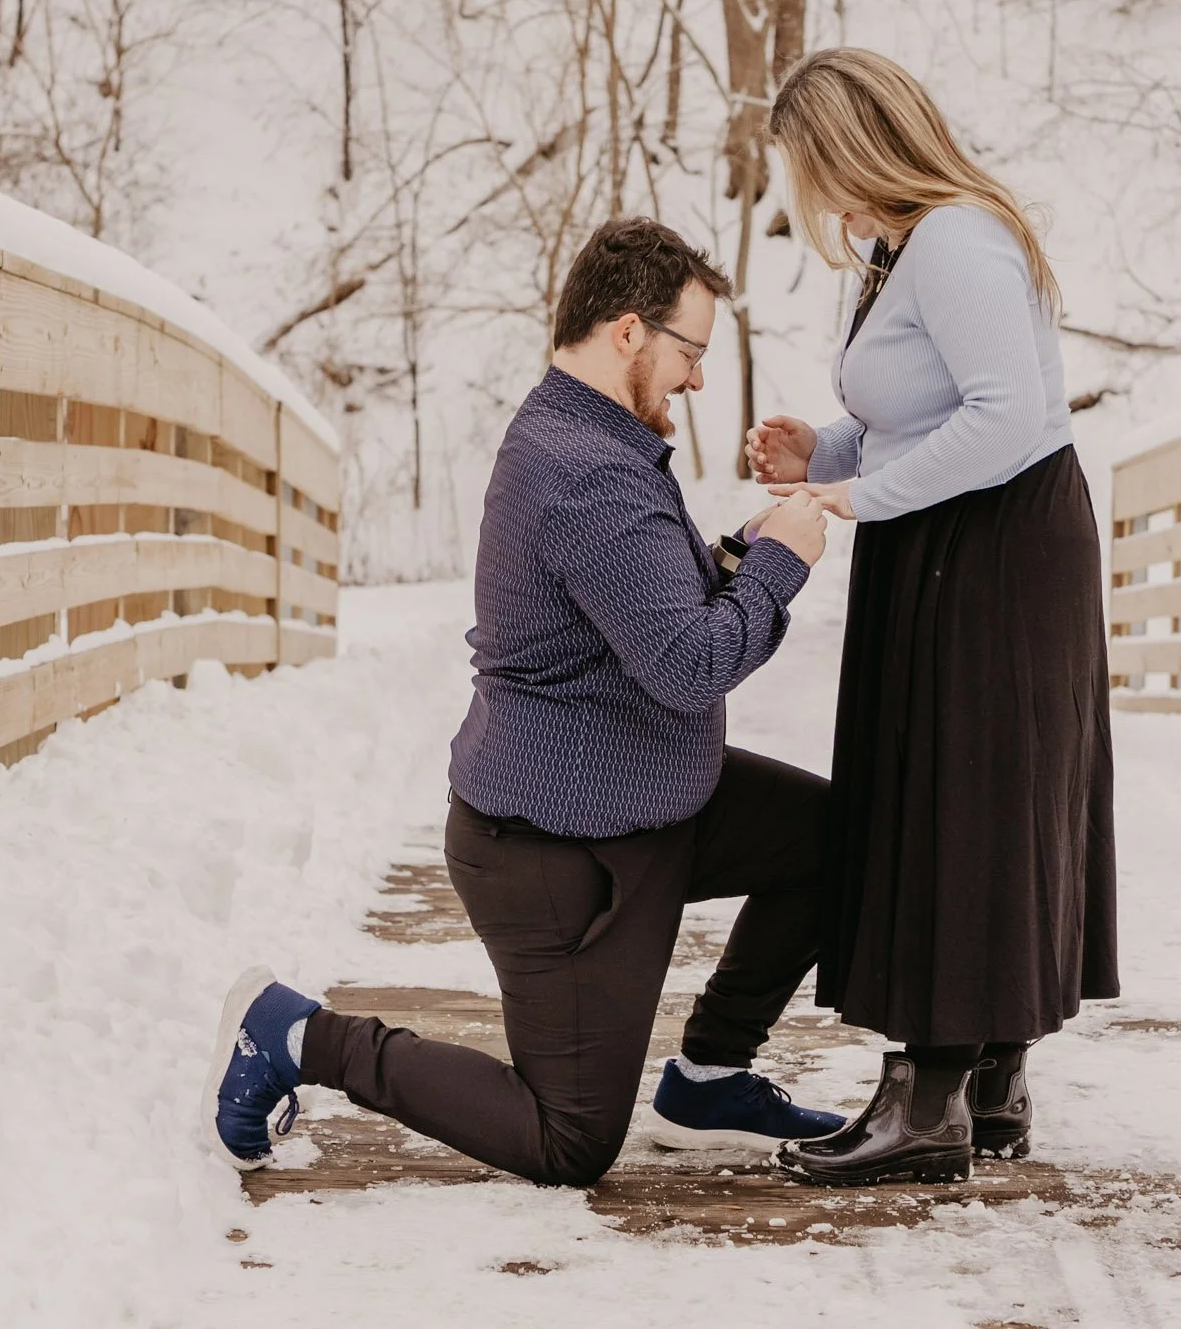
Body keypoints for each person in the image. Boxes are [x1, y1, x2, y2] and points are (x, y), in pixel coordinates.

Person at [205, 217, 847, 1187]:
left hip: (654, 800)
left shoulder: (592, 440)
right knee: (567, 1143)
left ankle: (711, 1074)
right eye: (691, 351)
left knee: (835, 838)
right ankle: (300, 1037)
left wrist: (732, 558)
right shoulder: (586, 471)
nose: (700, 379)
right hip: (562, 857)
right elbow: (686, 665)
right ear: (628, 333)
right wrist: (781, 570)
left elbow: (635, 611)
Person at [746, 48, 1119, 1187]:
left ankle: (928, 1104)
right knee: (969, 797)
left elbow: (1008, 418)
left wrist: (852, 498)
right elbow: (929, 413)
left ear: (860, 147)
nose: (815, 199)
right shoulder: (901, 245)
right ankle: (988, 1084)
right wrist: (827, 449)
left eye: (817, 169)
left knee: (960, 802)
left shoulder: (955, 240)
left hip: (993, 547)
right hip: (953, 535)